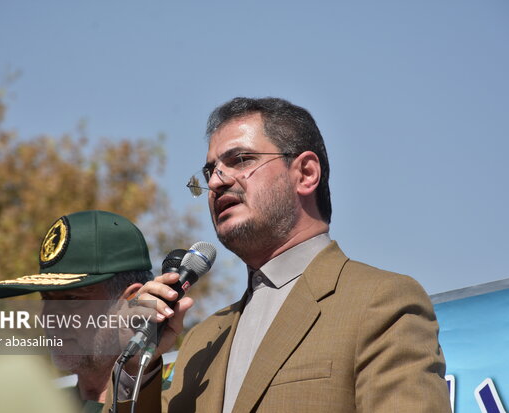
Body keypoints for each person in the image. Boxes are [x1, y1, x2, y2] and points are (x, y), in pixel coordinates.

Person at [132, 97, 452, 412]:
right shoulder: (202, 341)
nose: (217, 181)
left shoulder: (380, 301)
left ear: (306, 173)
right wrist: (138, 364)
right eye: (210, 171)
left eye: (241, 160)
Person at [0, 210, 189, 413]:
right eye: (46, 298)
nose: (48, 317)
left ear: (131, 301)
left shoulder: (181, 398)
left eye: (71, 299)